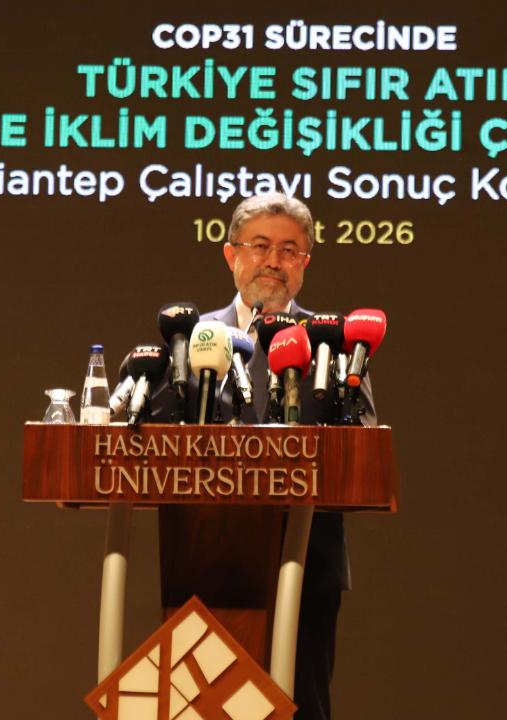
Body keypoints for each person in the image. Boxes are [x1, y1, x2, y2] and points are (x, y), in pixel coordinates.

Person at [153, 192, 376, 720]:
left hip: (308, 560)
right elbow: (160, 433)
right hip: (205, 555)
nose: (274, 261)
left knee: (302, 706)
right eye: (260, 246)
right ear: (231, 255)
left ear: (305, 264)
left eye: (289, 250)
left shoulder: (335, 343)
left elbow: (364, 441)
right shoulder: (192, 339)